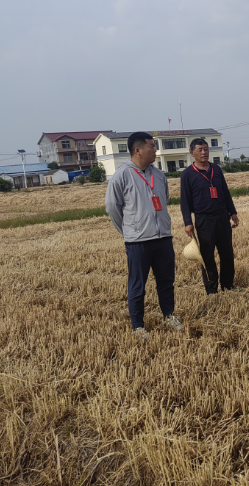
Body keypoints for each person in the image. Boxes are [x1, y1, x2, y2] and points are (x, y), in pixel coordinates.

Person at [105, 131, 183, 342]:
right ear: (137, 150)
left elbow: (164, 198)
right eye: (151, 146)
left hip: (163, 237)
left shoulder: (158, 174)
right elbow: (113, 207)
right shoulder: (122, 175)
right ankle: (138, 326)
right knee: (137, 284)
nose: (155, 150)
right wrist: (129, 230)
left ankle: (168, 316)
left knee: (166, 281)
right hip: (138, 241)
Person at [180, 137, 239, 295]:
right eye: (200, 150)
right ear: (192, 153)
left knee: (227, 253)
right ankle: (212, 289)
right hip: (203, 219)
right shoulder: (187, 174)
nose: (204, 152)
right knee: (207, 256)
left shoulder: (216, 169)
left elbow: (225, 192)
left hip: (222, 216)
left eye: (206, 149)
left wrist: (233, 212)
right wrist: (188, 222)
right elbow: (184, 201)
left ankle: (227, 284)